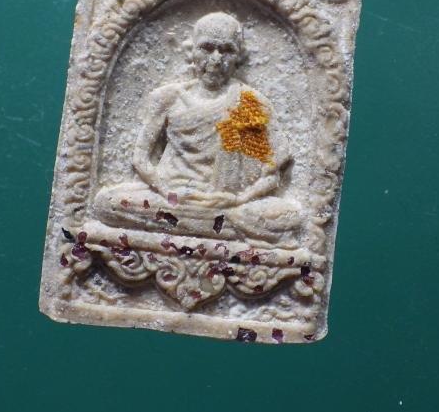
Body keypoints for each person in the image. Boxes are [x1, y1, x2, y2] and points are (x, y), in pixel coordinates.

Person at [94, 12, 302, 244]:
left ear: (239, 57)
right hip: (171, 199)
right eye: (207, 48)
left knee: (290, 215)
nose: (216, 59)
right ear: (190, 51)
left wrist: (239, 199)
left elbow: (272, 175)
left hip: (227, 203)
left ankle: (197, 225)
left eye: (227, 50)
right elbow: (140, 158)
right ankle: (215, 228)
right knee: (106, 203)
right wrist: (166, 191)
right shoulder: (168, 98)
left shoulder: (250, 101)